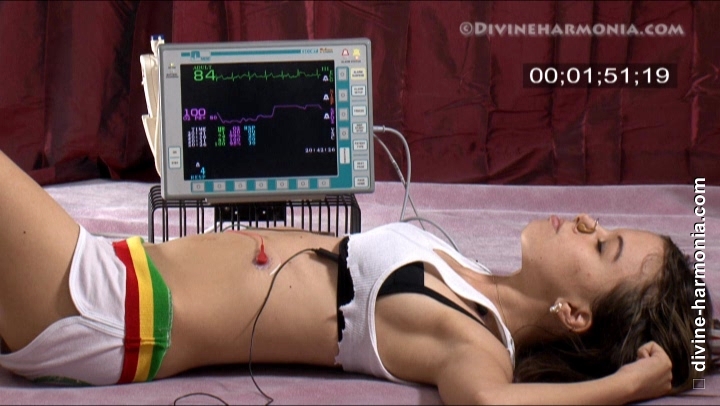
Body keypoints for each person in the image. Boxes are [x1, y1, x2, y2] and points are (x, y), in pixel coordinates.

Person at [0, 148, 713, 404]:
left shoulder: (476, 343)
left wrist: (627, 385)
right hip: (120, 271)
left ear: (575, 314)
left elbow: (489, 403)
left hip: (117, 309)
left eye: (604, 246)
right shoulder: (471, 277)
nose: (587, 220)